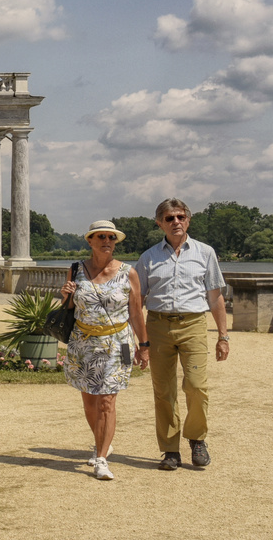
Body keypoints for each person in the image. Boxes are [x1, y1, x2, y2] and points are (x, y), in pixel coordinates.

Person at [132, 198, 230, 471]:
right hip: (159, 326)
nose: (175, 222)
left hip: (193, 325)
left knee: (196, 386)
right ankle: (170, 450)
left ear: (188, 220)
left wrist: (223, 336)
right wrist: (141, 342)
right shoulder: (149, 257)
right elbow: (136, 301)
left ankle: (197, 439)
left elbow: (215, 297)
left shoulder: (205, 253)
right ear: (159, 223)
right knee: (163, 391)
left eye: (180, 216)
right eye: (168, 218)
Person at [59, 220, 148, 481]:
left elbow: (136, 312)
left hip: (117, 344)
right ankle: (101, 442)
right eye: (101, 236)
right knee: (90, 401)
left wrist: (144, 346)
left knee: (108, 401)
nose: (106, 241)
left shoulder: (128, 272)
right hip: (83, 344)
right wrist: (65, 295)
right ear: (90, 241)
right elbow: (68, 307)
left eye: (111, 237)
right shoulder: (76, 270)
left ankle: (101, 458)